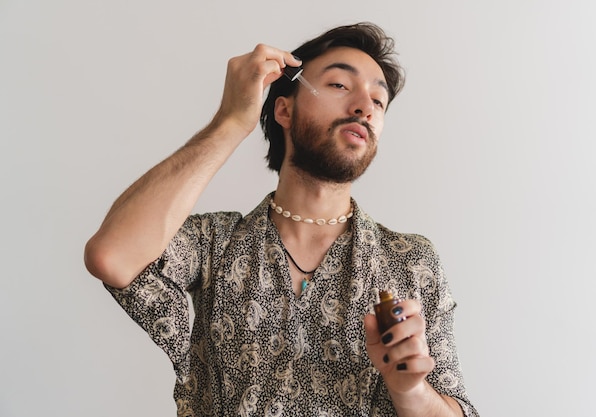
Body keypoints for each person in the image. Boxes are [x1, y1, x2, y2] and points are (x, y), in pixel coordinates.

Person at [84, 22, 479, 417]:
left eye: (379, 100)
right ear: (284, 109)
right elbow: (112, 256)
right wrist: (231, 122)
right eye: (341, 85)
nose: (364, 106)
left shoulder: (410, 261)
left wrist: (408, 390)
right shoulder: (214, 243)